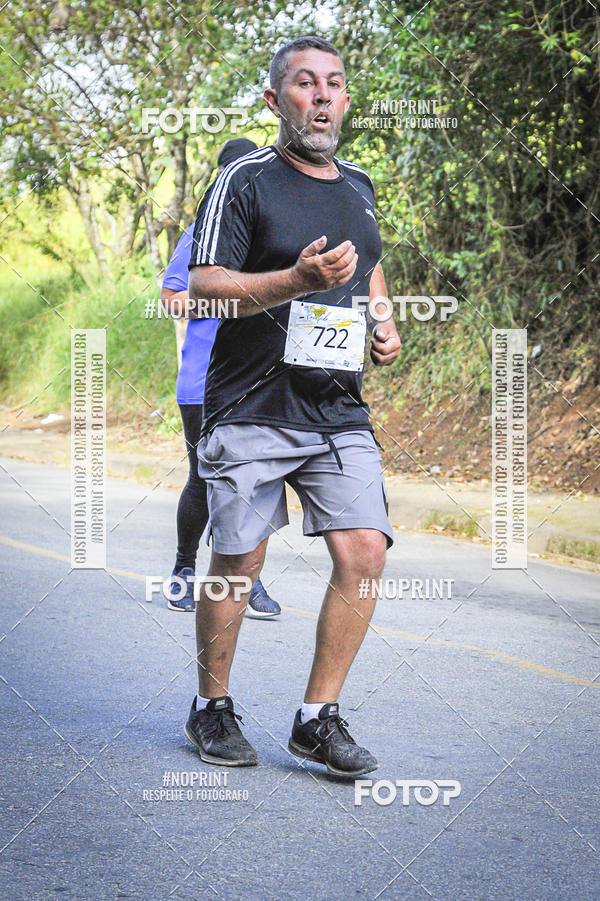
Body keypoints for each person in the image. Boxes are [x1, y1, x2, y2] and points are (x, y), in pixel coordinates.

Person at [184, 36, 401, 776]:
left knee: (365, 548)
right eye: (304, 84)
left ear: (345, 100)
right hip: (251, 401)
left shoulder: (361, 184)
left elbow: (369, 265)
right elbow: (205, 284)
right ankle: (212, 704)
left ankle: (317, 716)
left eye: (334, 84)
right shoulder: (244, 180)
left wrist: (382, 319)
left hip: (336, 404)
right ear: (277, 101)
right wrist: (294, 280)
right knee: (240, 556)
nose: (321, 96)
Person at [161, 137, 281, 618]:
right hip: (203, 383)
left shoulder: (274, 235)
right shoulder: (200, 234)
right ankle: (183, 571)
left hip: (258, 380)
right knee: (203, 477)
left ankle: (245, 582)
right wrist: (221, 299)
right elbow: (172, 298)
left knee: (253, 482)